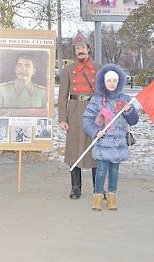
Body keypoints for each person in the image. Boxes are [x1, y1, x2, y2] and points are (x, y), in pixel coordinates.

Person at [83, 64, 139, 211]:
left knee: (114, 171)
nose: (112, 83)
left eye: (115, 80)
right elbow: (87, 119)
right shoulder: (96, 100)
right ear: (104, 82)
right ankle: (98, 196)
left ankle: (112, 197)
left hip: (119, 143)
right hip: (103, 142)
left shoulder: (126, 99)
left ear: (119, 81)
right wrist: (96, 132)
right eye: (109, 81)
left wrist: (129, 110)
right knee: (101, 171)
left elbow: (133, 121)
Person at [58, 32, 98, 200]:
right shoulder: (68, 70)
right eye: (77, 48)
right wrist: (62, 118)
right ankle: (76, 188)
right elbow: (62, 96)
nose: (80, 50)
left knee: (96, 150)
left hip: (94, 112)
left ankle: (98, 187)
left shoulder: (99, 68)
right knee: (74, 150)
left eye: (83, 47)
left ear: (88, 49)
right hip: (74, 112)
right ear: (74, 51)